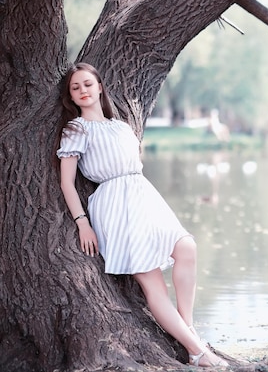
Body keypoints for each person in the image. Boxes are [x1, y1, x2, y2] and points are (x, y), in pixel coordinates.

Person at [55, 63, 227, 368]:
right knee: (152, 282)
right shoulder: (76, 129)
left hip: (144, 197)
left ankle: (188, 332)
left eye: (87, 84)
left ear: (99, 88)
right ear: (71, 96)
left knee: (186, 247)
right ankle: (198, 353)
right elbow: (66, 182)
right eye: (75, 87)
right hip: (114, 203)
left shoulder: (120, 126)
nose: (82, 91)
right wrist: (83, 223)